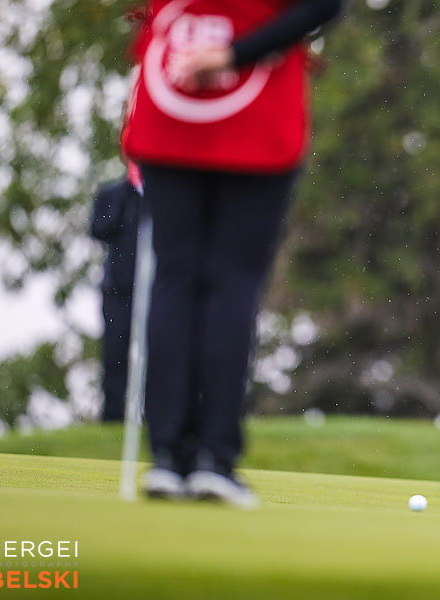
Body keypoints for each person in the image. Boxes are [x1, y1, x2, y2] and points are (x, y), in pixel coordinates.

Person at [122, 0, 342, 508]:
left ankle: (171, 458)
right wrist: (235, 53)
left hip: (172, 94)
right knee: (229, 281)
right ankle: (212, 460)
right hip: (249, 112)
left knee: (178, 279)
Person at [89, 164, 145, 423]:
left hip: (155, 292)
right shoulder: (112, 194)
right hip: (117, 291)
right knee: (114, 356)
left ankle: (156, 418)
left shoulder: (163, 196)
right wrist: (128, 198)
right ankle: (112, 417)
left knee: (158, 355)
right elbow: (98, 228)